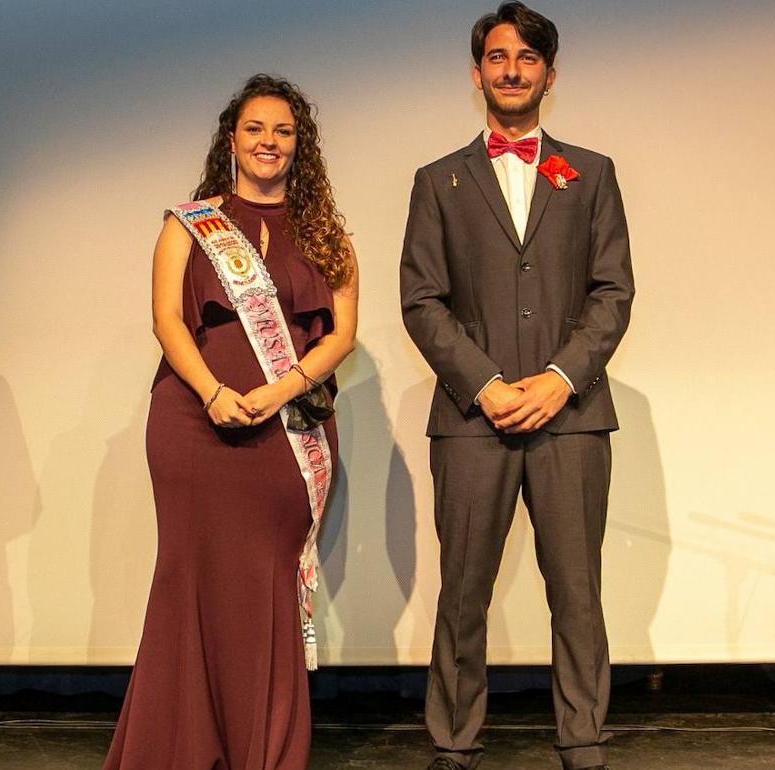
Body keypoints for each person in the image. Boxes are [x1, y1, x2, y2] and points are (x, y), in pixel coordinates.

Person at [399, 3, 634, 769]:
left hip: (572, 417)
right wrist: (487, 383)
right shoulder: (439, 180)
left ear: (549, 74)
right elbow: (421, 299)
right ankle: (455, 740)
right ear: (478, 73)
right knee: (463, 592)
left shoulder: (592, 173)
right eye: (498, 57)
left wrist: (563, 378)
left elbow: (613, 292)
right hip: (472, 419)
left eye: (527, 58)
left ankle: (583, 737)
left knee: (577, 590)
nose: (511, 69)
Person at [103, 74, 358, 770]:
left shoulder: (326, 235)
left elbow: (340, 335)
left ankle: (264, 750)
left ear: (299, 145)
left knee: (265, 586)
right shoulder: (190, 223)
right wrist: (214, 391)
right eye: (255, 129)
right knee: (190, 580)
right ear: (232, 140)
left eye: (283, 130)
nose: (268, 141)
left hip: (289, 426)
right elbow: (165, 320)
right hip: (194, 421)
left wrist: (281, 390)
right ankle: (179, 748)